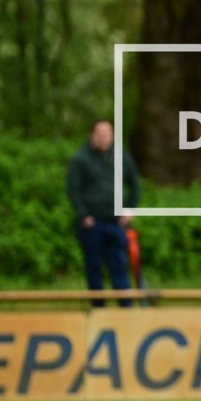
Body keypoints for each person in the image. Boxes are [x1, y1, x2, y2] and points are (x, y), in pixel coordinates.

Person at [66, 119, 140, 307]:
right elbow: (73, 190)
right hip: (92, 224)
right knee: (94, 268)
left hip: (116, 223)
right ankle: (98, 310)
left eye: (107, 133)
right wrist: (83, 215)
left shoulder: (121, 156)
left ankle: (126, 309)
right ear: (92, 134)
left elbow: (134, 184)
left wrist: (130, 210)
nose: (103, 138)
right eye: (99, 134)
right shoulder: (80, 159)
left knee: (119, 266)